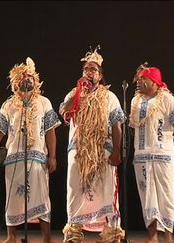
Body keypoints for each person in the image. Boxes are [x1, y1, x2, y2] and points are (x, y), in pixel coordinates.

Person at [0, 57, 61, 243]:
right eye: (22, 77)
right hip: (13, 159)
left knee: (41, 198)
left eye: (30, 77)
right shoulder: (9, 105)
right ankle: (11, 236)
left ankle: (46, 238)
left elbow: (50, 131)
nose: (26, 80)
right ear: (15, 82)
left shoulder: (44, 102)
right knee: (13, 198)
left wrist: (52, 156)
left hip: (37, 158)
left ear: (35, 80)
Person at [59, 46, 126, 243]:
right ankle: (73, 232)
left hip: (102, 150)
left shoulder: (109, 96)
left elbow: (117, 125)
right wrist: (77, 92)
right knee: (74, 189)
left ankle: (112, 233)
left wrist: (116, 151)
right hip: (78, 149)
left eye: (93, 70)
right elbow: (65, 113)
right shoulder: (73, 94)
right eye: (86, 69)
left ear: (100, 75)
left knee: (105, 189)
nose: (89, 72)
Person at [129, 63, 174, 243]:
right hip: (141, 157)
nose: (138, 82)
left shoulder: (168, 99)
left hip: (163, 157)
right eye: (138, 80)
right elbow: (133, 128)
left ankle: (168, 237)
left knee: (166, 196)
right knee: (147, 196)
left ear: (154, 81)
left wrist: (167, 143)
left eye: (143, 79)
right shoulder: (135, 101)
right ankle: (152, 237)